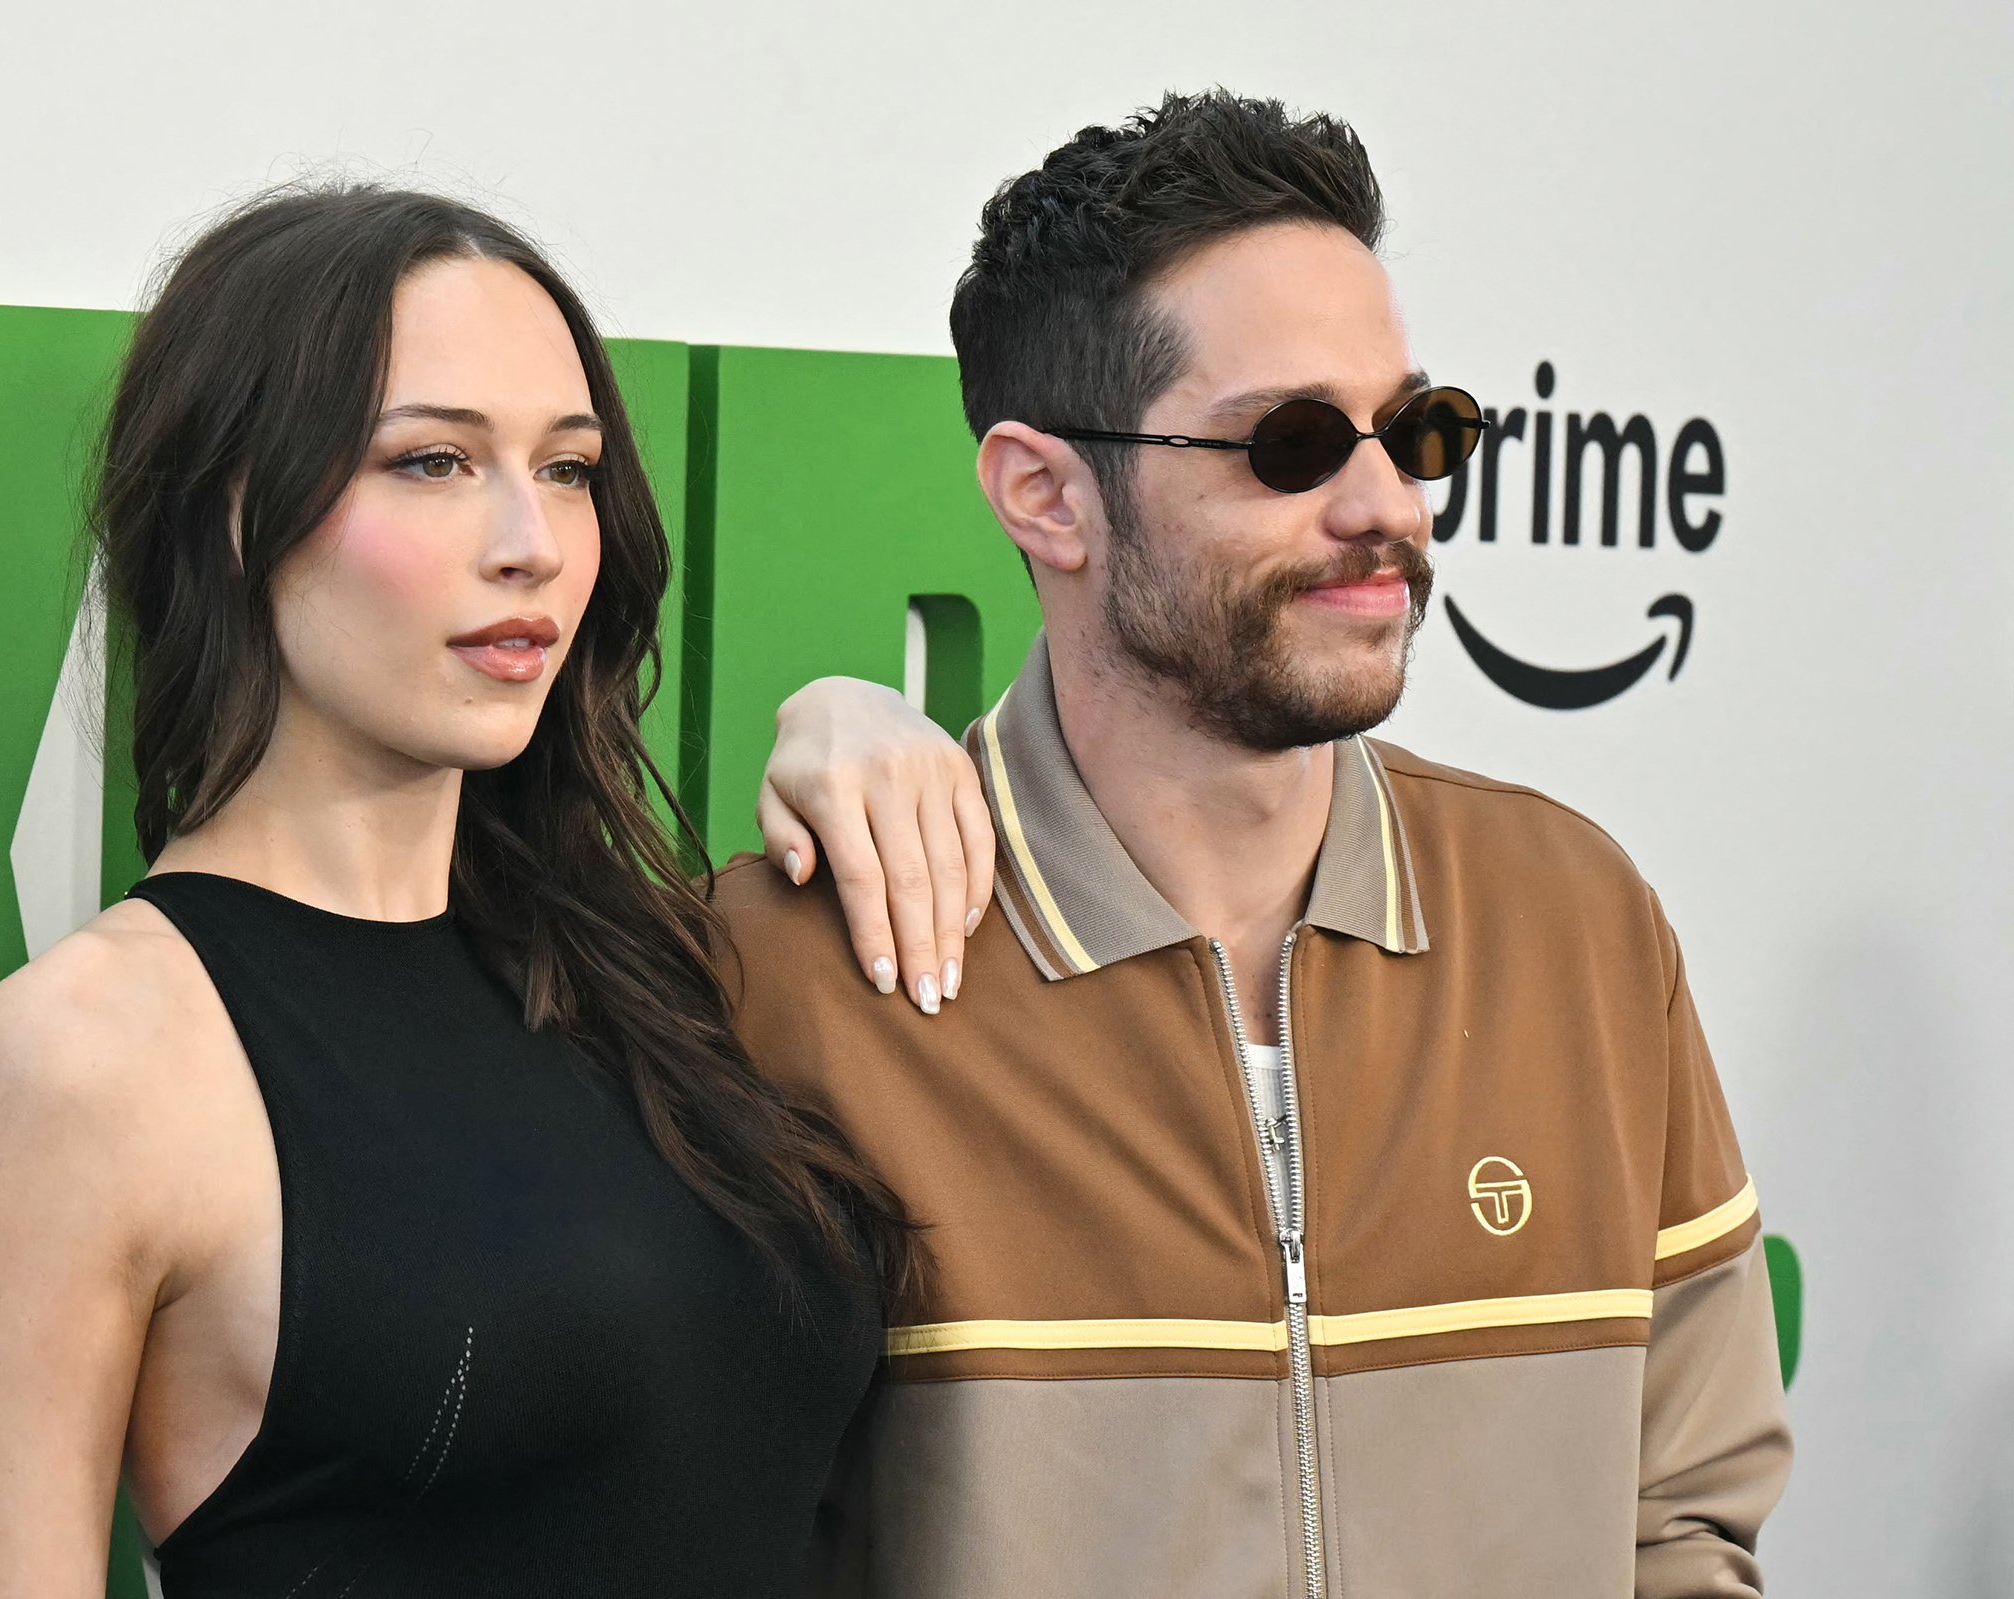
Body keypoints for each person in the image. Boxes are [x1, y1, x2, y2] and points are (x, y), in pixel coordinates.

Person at [719, 90, 1792, 1598]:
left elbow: (1683, 1519)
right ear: (1047, 495)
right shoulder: (791, 983)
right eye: (1289, 444)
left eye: (1418, 429)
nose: (1385, 506)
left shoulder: (1577, 922)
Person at [0, 185, 984, 1598]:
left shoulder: (652, 973)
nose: (530, 541)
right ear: (234, 511)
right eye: (432, 463)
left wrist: (861, 712)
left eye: (569, 468)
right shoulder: (82, 1062)